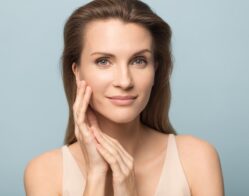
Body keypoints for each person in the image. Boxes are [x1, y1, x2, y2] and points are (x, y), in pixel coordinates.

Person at [23, 0, 224, 195]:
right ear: (77, 72)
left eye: (138, 61)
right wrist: (96, 176)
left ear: (155, 69)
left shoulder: (197, 159)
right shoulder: (45, 172)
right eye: (103, 61)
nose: (125, 81)